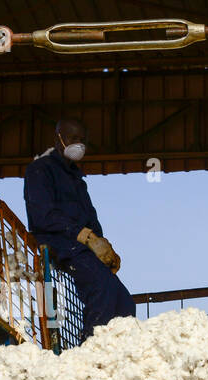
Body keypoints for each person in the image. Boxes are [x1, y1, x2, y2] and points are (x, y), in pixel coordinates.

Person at [23, 119, 136, 343]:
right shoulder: (40, 170)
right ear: (59, 139)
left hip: (81, 246)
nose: (79, 144)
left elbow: (89, 217)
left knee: (124, 301)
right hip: (59, 242)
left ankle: (119, 352)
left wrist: (103, 245)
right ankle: (90, 349)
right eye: (74, 139)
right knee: (102, 287)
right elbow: (42, 216)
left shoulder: (76, 178)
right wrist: (86, 236)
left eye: (82, 140)